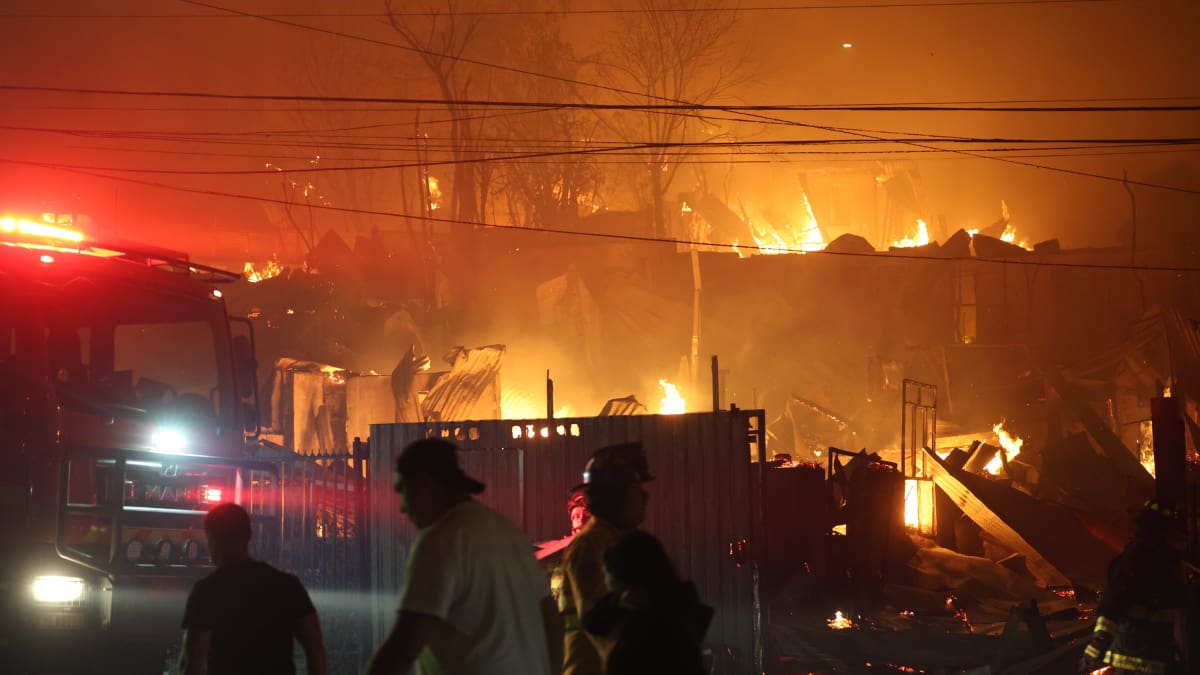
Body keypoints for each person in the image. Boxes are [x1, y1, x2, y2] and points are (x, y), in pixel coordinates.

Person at [365, 438, 561, 675]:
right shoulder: (509, 532)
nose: (402, 508)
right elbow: (551, 621)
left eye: (402, 491)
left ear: (424, 486)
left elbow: (404, 646)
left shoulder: (440, 540)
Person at [179, 503, 327, 675]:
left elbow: (193, 659)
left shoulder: (207, 591)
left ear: (211, 538)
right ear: (249, 535)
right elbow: (315, 648)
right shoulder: (287, 585)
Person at [559, 442, 653, 675]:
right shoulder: (591, 545)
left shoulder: (617, 542)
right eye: (636, 487)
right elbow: (602, 628)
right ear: (618, 495)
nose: (644, 495)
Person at [1079, 499, 1188, 674]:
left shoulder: (1133, 560)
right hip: (1160, 662)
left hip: (1130, 658)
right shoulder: (1169, 565)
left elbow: (1111, 609)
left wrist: (1093, 652)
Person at [582, 531, 712, 675]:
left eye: (607, 572)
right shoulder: (676, 599)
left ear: (621, 574)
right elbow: (591, 622)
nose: (605, 580)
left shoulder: (659, 608)